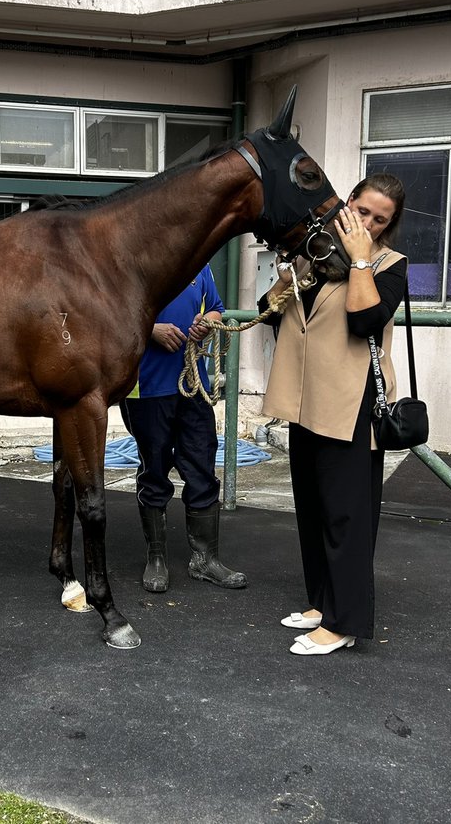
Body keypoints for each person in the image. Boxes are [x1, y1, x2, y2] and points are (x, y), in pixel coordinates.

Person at [258, 173, 408, 657]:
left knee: (347, 515)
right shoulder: (316, 256)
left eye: (379, 220)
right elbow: (268, 311)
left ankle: (346, 621)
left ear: (388, 227)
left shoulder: (389, 265)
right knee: (313, 507)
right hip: (307, 399)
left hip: (351, 401)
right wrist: (289, 276)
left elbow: (365, 319)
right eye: (361, 211)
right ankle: (324, 602)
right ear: (346, 204)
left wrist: (361, 257)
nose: (366, 223)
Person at [120, 265, 247, 593]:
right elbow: (111, 311)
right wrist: (151, 330)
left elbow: (217, 309)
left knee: (202, 468)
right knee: (154, 471)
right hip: (146, 389)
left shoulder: (200, 264)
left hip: (193, 386)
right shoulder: (137, 259)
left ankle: (205, 560)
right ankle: (156, 558)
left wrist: (208, 324)